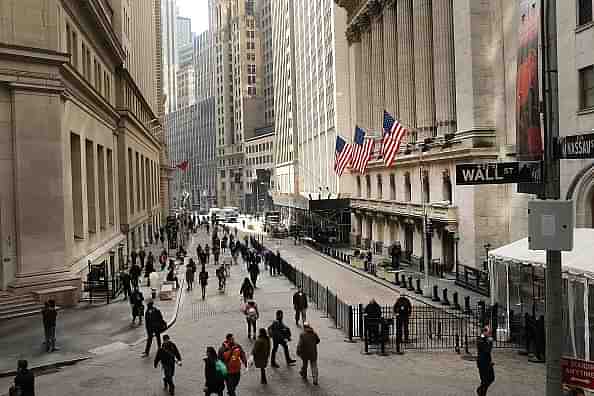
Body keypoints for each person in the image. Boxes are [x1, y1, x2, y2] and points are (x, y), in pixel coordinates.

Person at [476, 326, 495, 396]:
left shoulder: (486, 338)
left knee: (491, 378)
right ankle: (482, 393)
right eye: (489, 333)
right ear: (484, 332)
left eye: (490, 333)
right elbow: (486, 350)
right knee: (485, 380)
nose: (490, 334)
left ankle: (480, 390)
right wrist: (490, 342)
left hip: (488, 362)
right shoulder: (480, 339)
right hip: (482, 363)